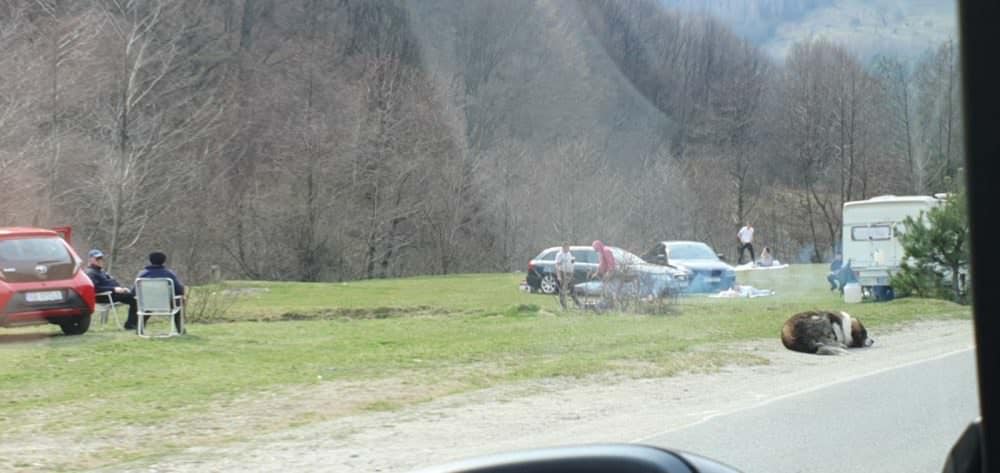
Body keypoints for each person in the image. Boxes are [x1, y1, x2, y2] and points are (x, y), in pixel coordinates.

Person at [85, 249, 140, 331]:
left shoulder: (101, 271)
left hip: (112, 294)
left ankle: (133, 324)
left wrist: (121, 289)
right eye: (97, 258)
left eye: (101, 258)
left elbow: (112, 283)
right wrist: (113, 289)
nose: (100, 260)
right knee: (134, 299)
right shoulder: (90, 273)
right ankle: (130, 325)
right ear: (91, 260)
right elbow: (95, 289)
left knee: (135, 295)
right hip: (104, 297)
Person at [136, 251, 187, 333]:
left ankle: (139, 329)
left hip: (147, 303)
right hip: (166, 302)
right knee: (179, 302)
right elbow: (179, 289)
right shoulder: (169, 274)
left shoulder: (142, 274)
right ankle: (180, 329)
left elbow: (134, 291)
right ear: (164, 261)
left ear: (150, 260)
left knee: (146, 306)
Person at [589, 240, 619, 308]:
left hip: (609, 272)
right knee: (604, 287)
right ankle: (606, 302)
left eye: (595, 248)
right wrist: (596, 273)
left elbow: (611, 262)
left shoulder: (606, 251)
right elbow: (601, 264)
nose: (595, 250)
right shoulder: (601, 252)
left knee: (607, 288)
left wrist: (609, 272)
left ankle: (611, 303)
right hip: (604, 272)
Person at [553, 243, 576, 310]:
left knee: (572, 289)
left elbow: (571, 263)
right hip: (563, 273)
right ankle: (564, 306)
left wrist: (572, 261)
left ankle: (578, 304)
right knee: (563, 290)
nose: (568, 249)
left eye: (569, 247)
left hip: (569, 273)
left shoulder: (569, 253)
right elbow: (557, 265)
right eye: (567, 247)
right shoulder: (560, 254)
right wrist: (559, 276)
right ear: (563, 247)